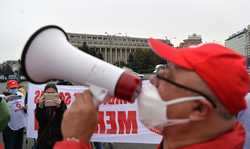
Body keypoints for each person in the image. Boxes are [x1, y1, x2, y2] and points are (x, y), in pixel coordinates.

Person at [54, 38, 249, 149]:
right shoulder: (184, 138)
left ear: (198, 109)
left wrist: (74, 141)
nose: (152, 81)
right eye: (159, 72)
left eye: (166, 76)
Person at [35, 82, 67, 149]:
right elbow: (39, 119)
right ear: (44, 94)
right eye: (48, 93)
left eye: (53, 93)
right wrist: (40, 106)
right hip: (44, 141)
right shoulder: (41, 105)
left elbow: (64, 119)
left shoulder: (61, 104)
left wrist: (60, 106)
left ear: (57, 94)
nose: (50, 95)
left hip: (57, 140)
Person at [2, 80, 27, 149]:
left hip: (20, 125)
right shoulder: (2, 98)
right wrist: (6, 99)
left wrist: (25, 108)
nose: (14, 89)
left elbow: (25, 108)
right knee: (9, 146)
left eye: (15, 88)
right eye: (12, 88)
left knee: (19, 146)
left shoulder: (21, 95)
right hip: (9, 127)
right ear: (7, 88)